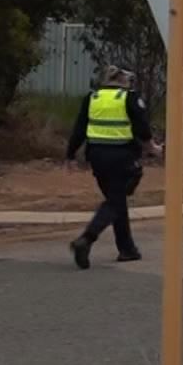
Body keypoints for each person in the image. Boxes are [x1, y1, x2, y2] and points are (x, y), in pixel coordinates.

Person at [66, 65, 160, 269]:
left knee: (116, 200)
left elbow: (79, 128)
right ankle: (87, 239)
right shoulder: (129, 97)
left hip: (97, 158)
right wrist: (152, 147)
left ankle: (127, 249)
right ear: (123, 80)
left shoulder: (93, 98)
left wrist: (70, 155)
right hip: (123, 157)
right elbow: (142, 127)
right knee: (117, 198)